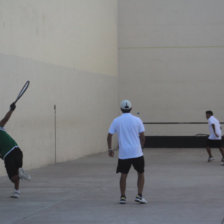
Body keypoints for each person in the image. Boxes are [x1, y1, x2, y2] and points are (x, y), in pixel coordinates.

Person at [107, 99, 147, 204]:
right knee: (141, 173)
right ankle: (139, 195)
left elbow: (109, 135)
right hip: (137, 152)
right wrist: (141, 148)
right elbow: (143, 137)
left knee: (123, 174)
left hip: (124, 153)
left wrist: (110, 149)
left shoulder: (116, 121)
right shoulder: (137, 120)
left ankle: (123, 197)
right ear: (131, 108)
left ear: (121, 109)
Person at [0, 103, 31, 199]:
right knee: (16, 173)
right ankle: (17, 191)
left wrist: (11, 110)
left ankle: (20, 176)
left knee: (13, 178)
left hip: (9, 155)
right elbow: (5, 119)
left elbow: (5, 119)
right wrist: (11, 109)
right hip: (17, 151)